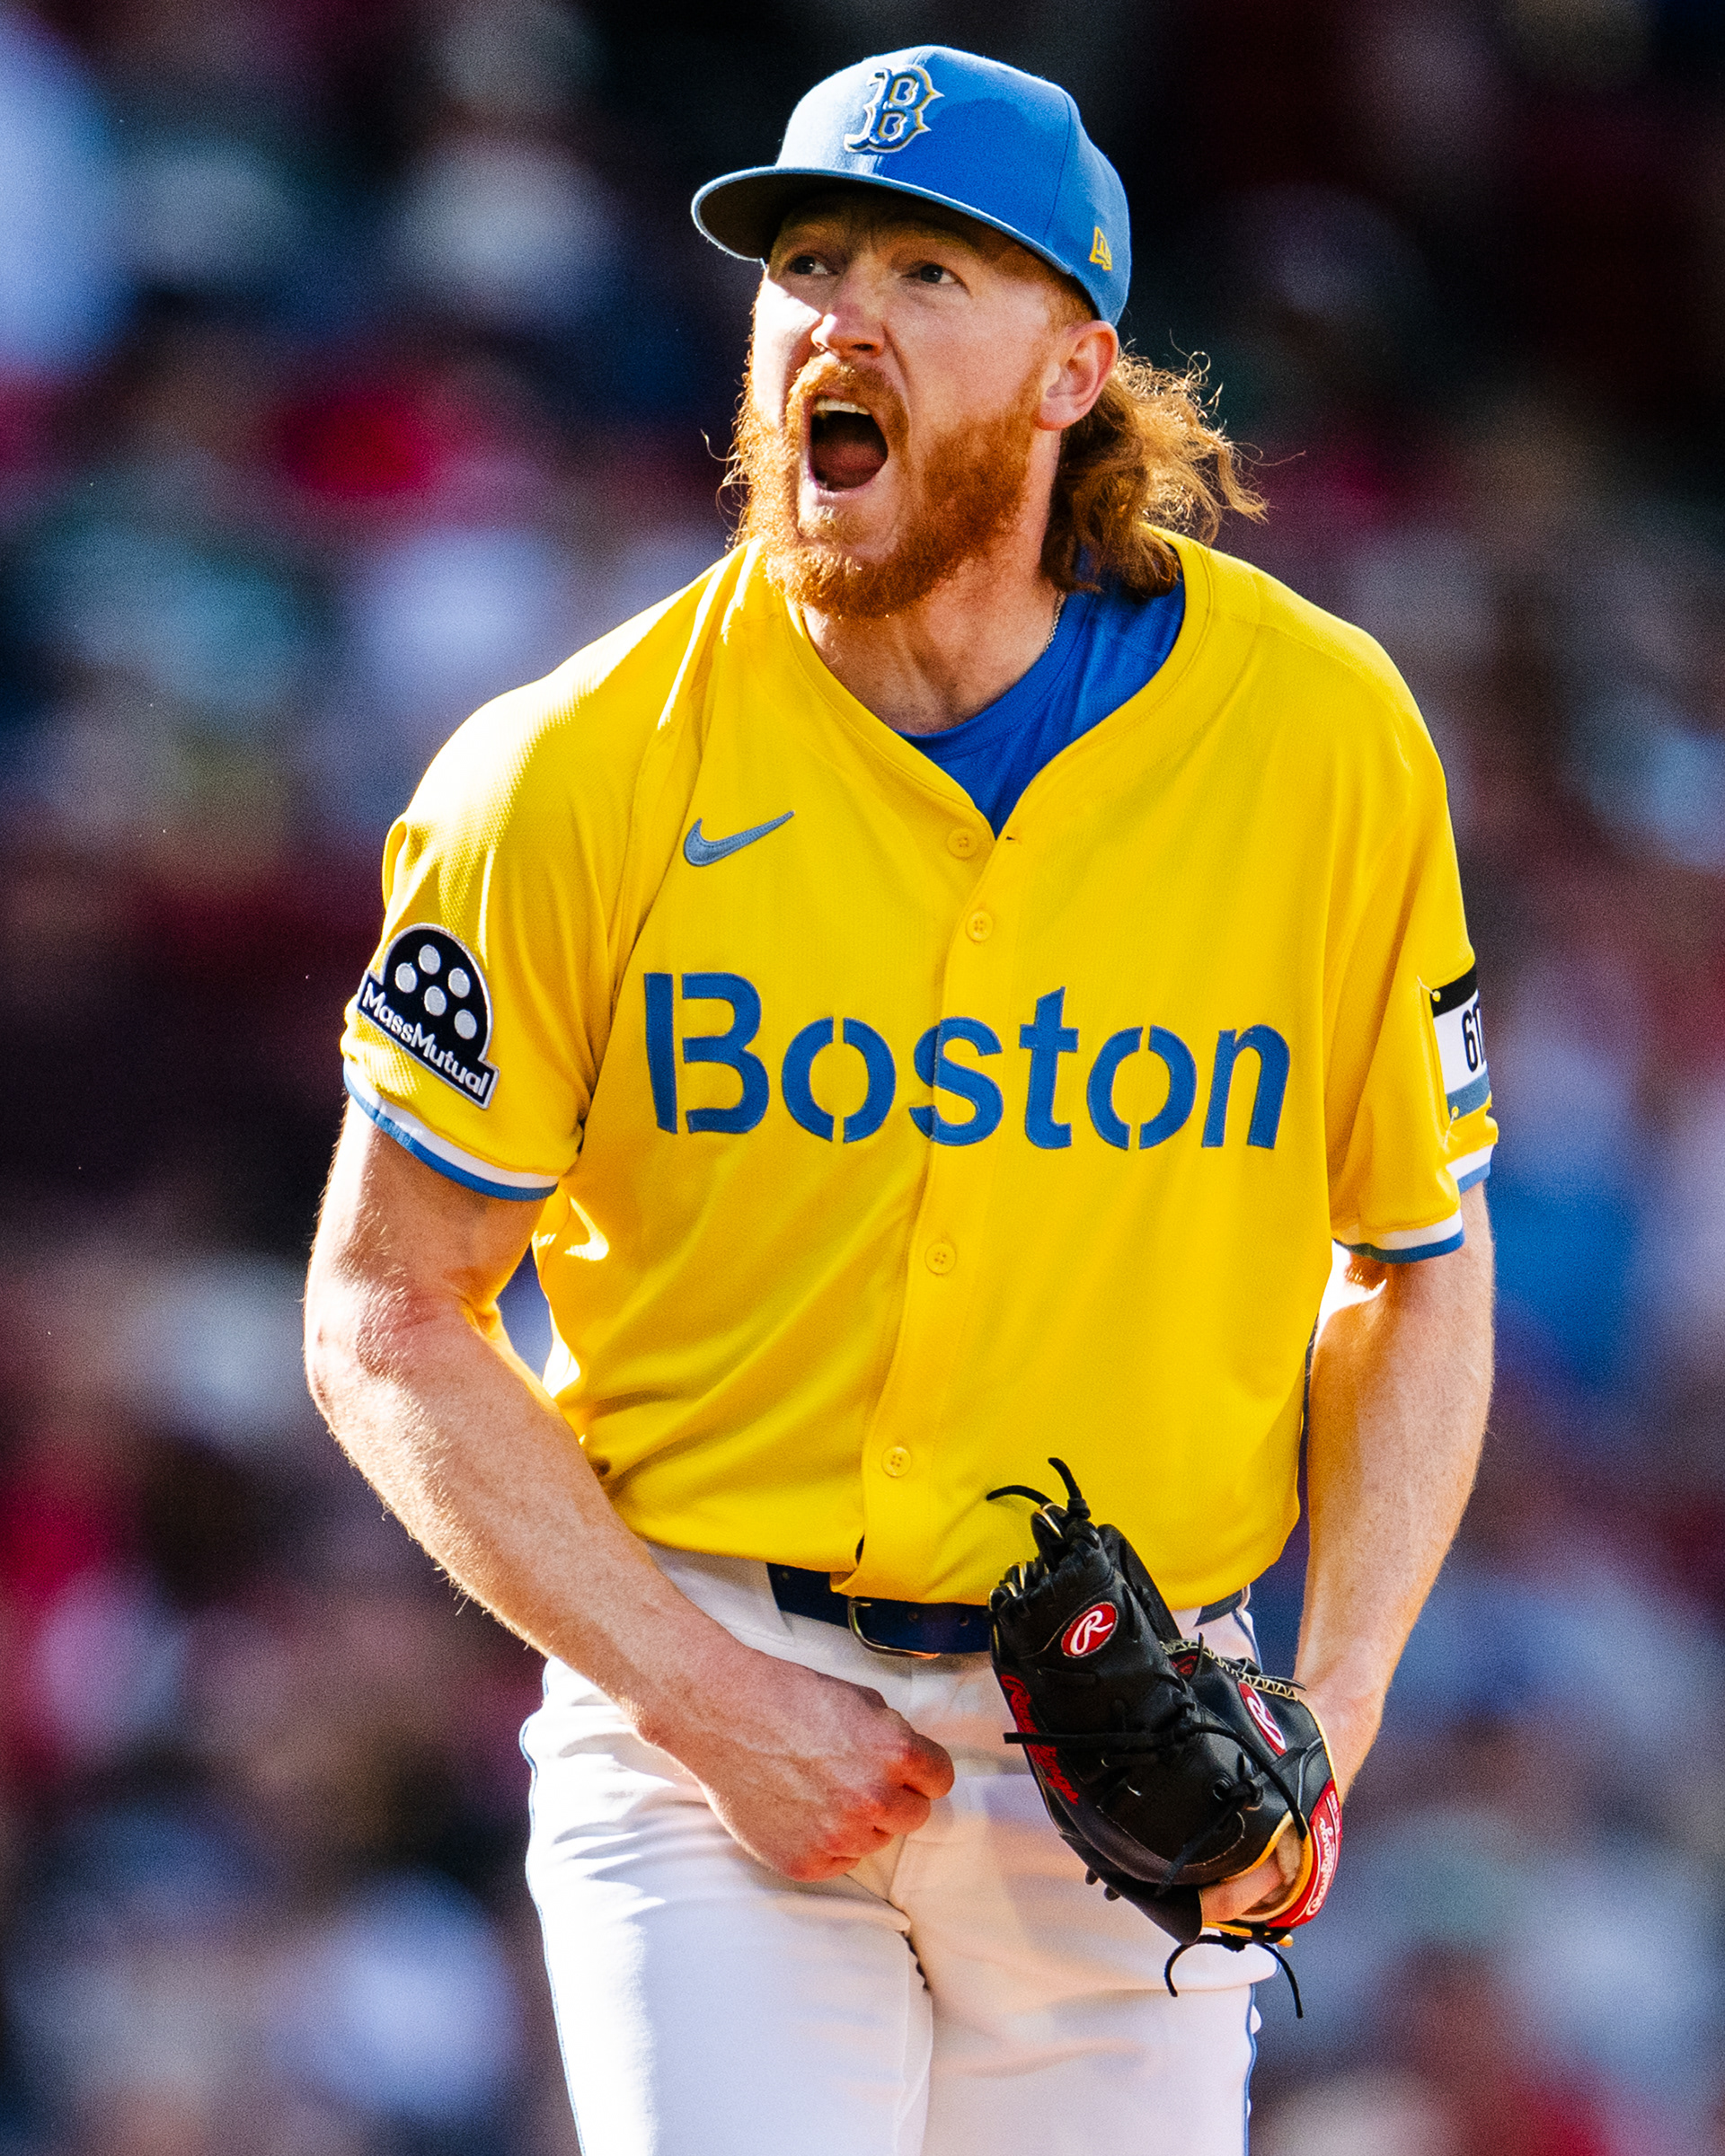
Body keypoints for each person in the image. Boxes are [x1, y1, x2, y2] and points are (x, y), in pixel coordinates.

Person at [303, 44, 1496, 2156]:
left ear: (1071, 372)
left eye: (932, 269)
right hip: (711, 1715)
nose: (838, 309)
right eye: (808, 258)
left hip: (1134, 1746)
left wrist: (1337, 1704)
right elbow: (387, 1310)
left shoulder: (1320, 743)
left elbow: (1411, 1263)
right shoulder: (572, 773)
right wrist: (701, 1698)